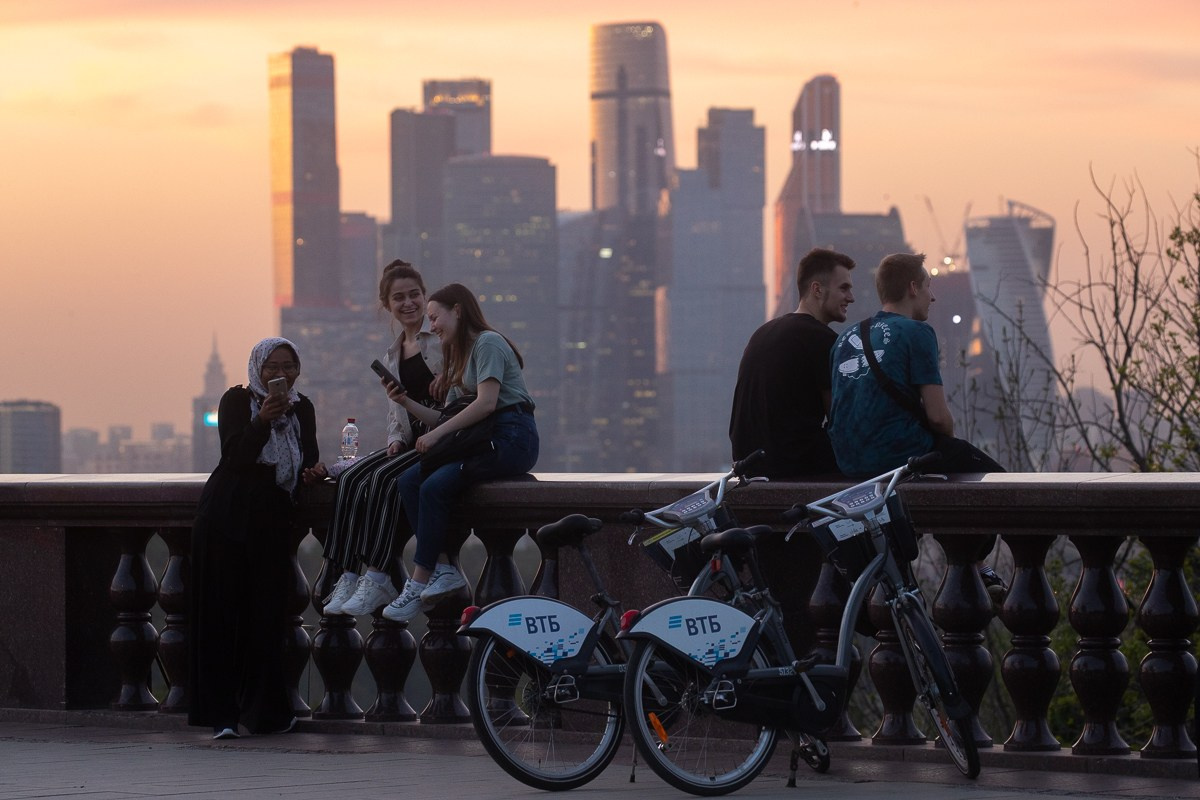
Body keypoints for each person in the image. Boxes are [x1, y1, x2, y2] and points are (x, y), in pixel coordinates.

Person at [827, 253, 1007, 597]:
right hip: (897, 455)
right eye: (928, 286)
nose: (932, 296)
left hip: (848, 462)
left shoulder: (845, 337)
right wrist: (948, 449)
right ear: (912, 288)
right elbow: (938, 417)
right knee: (997, 480)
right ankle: (976, 563)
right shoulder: (917, 332)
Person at [188, 337, 327, 740]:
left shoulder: (303, 408)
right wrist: (261, 421)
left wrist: (313, 472)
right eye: (272, 367)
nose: (281, 374)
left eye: (288, 366)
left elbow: (307, 455)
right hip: (226, 518)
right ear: (257, 369)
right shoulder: (237, 401)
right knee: (221, 616)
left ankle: (266, 714)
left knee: (266, 619)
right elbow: (234, 457)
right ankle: (222, 716)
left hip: (271, 522)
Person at [379, 282, 539, 623]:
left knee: (436, 486)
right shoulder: (458, 356)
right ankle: (441, 567)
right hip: (479, 439)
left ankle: (418, 581)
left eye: (435, 317)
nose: (432, 325)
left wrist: (437, 436)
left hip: (510, 437)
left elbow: (487, 403)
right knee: (409, 481)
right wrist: (404, 401)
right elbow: (445, 417)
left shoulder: (487, 342)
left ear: (458, 311)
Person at [320, 260, 445, 617]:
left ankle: (378, 576)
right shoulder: (394, 352)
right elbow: (395, 409)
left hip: (440, 437)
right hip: (411, 440)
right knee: (350, 477)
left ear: (425, 297)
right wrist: (394, 438)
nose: (408, 303)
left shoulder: (440, 340)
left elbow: (459, 390)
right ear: (387, 305)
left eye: (414, 295)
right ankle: (346, 574)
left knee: (381, 479)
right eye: (398, 298)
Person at [729, 247, 856, 478]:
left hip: (748, 466)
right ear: (817, 289)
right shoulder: (822, 339)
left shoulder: (763, 332)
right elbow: (841, 422)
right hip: (795, 468)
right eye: (843, 288)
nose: (851, 297)